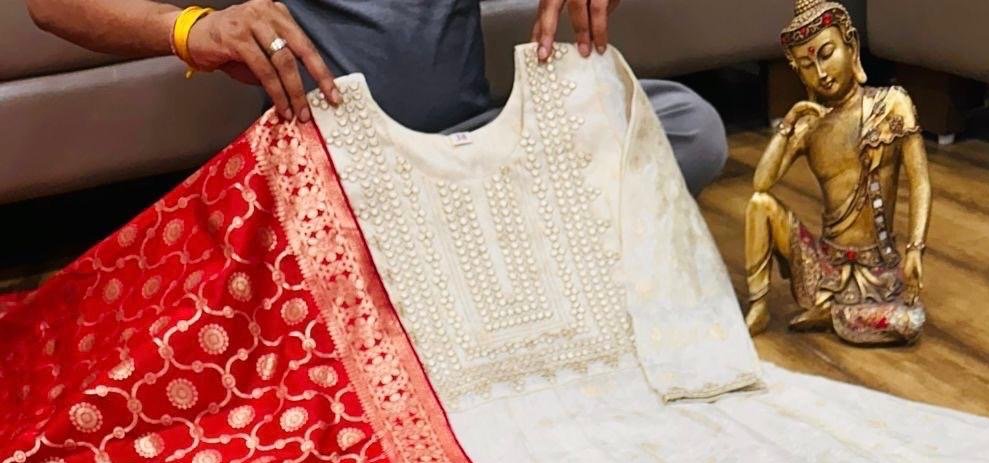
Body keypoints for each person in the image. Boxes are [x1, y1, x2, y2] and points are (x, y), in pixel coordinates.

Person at [25, 0, 729, 195]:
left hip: (472, 144)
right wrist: (192, 28)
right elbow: (53, 6)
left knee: (687, 129)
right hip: (336, 172)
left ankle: (441, 269)